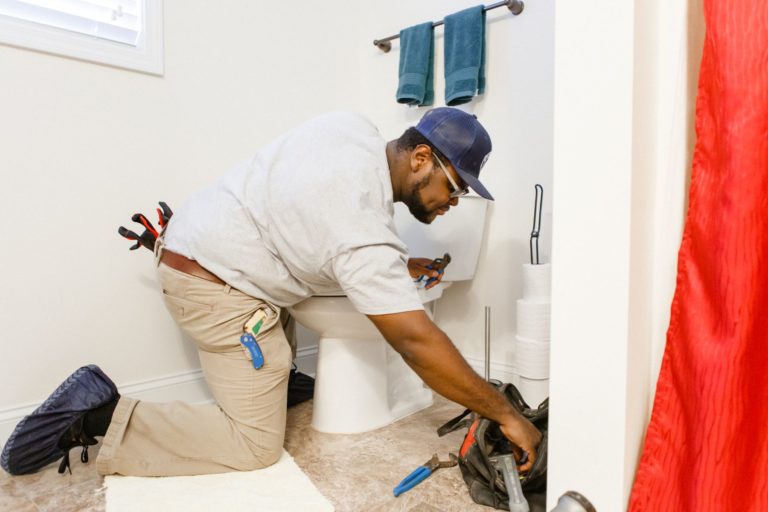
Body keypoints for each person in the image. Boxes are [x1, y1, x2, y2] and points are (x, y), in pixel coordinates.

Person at [4, 107, 541, 477]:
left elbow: (315, 227)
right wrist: (505, 413)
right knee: (255, 447)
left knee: (295, 322)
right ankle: (96, 415)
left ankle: (276, 378)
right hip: (214, 289)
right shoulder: (362, 227)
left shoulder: (350, 130)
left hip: (204, 248)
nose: (455, 201)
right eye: (456, 185)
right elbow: (415, 340)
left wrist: (398, 263)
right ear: (421, 158)